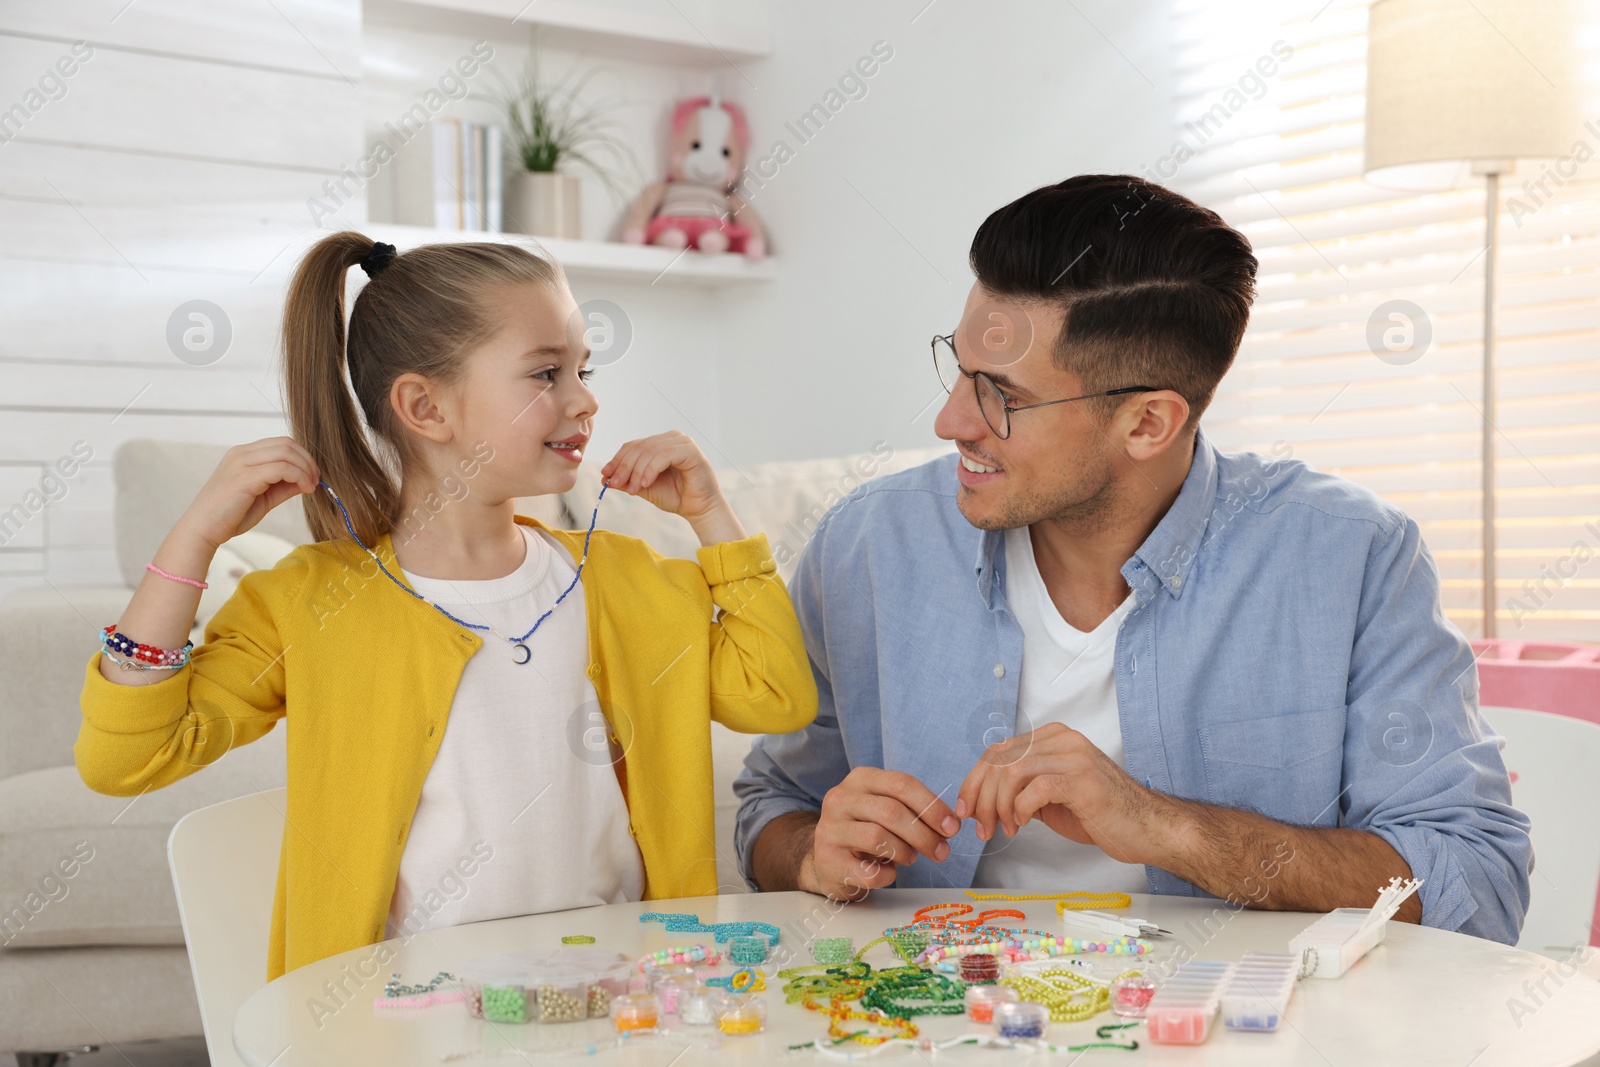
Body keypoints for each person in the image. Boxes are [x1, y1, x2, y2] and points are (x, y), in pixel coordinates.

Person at [734, 174, 1531, 944]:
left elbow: (1474, 877)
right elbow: (772, 803)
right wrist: (810, 853)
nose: (950, 420)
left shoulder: (1350, 558)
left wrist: (1162, 825)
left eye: (1000, 396)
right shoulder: (868, 546)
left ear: (1149, 423)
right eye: (958, 367)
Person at [77, 232, 817, 980]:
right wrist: (192, 538)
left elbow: (779, 693)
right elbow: (127, 757)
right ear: (425, 406)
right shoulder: (309, 602)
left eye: (582, 369)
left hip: (626, 997)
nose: (585, 398)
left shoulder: (627, 578)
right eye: (545, 373)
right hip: (398, 1018)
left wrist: (712, 515)